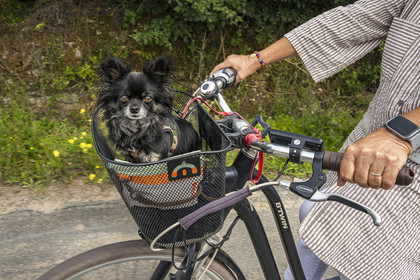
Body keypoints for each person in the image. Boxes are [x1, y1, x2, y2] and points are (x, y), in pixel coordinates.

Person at [211, 0, 419, 279]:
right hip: (367, 150)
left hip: (403, 168)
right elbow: (346, 22)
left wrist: (401, 135)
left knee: (369, 261)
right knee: (317, 216)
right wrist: (255, 59)